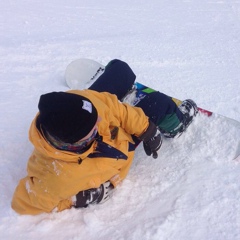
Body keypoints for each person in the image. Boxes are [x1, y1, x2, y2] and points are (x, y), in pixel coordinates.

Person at [11, 59, 198, 215]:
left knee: (120, 69)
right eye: (93, 128)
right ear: (77, 143)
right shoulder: (56, 178)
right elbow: (23, 203)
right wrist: (79, 199)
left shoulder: (82, 103)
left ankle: (127, 93)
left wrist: (147, 129)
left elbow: (114, 108)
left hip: (98, 114)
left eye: (96, 118)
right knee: (162, 103)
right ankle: (176, 125)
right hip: (120, 146)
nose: (101, 120)